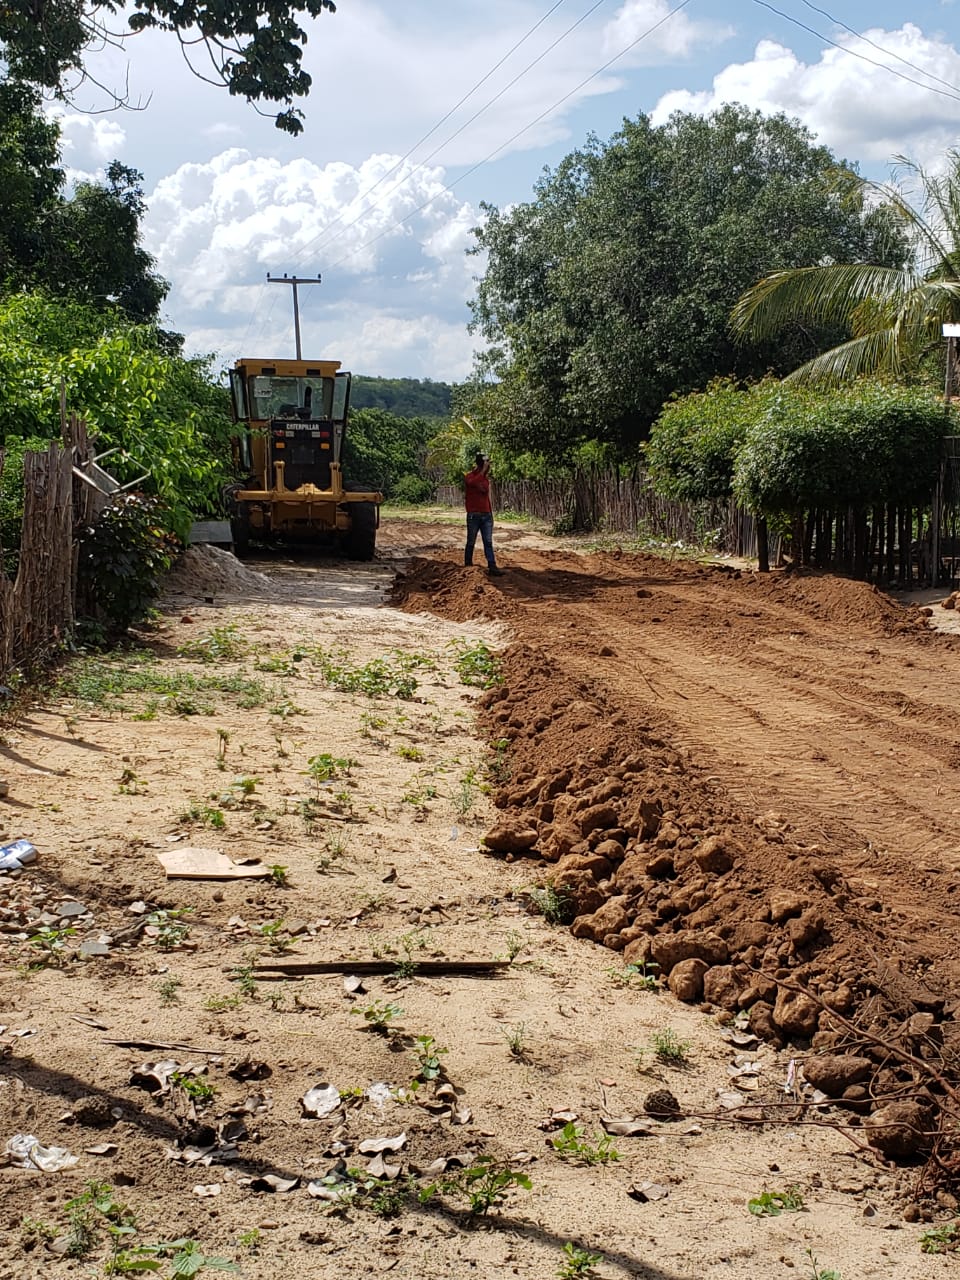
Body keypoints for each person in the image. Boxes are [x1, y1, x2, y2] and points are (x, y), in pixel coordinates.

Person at [463, 453, 504, 576]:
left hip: (486, 515)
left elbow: (482, 489)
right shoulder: (469, 477)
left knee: (488, 542)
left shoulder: (485, 480)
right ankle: (468, 564)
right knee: (471, 541)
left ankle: (492, 566)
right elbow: (473, 484)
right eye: (486, 464)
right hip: (473, 515)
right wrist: (482, 471)